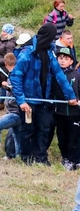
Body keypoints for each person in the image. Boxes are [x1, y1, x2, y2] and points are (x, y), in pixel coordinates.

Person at [11, 23, 79, 165]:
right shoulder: (27, 53)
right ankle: (26, 157)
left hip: (44, 100)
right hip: (28, 100)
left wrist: (71, 96)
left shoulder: (49, 53)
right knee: (28, 129)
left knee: (44, 128)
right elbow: (16, 76)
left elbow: (59, 75)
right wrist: (21, 101)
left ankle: (41, 157)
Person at [0, 53, 21, 159]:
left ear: (6, 64)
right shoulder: (13, 74)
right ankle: (18, 156)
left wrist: (8, 88)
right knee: (16, 135)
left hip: (16, 112)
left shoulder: (15, 75)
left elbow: (18, 91)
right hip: (14, 111)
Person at [52, 47, 80, 170]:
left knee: (73, 138)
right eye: (60, 58)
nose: (62, 61)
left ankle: (75, 159)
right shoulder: (54, 75)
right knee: (62, 138)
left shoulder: (76, 75)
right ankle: (66, 158)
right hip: (60, 112)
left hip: (74, 113)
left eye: (66, 58)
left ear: (71, 61)